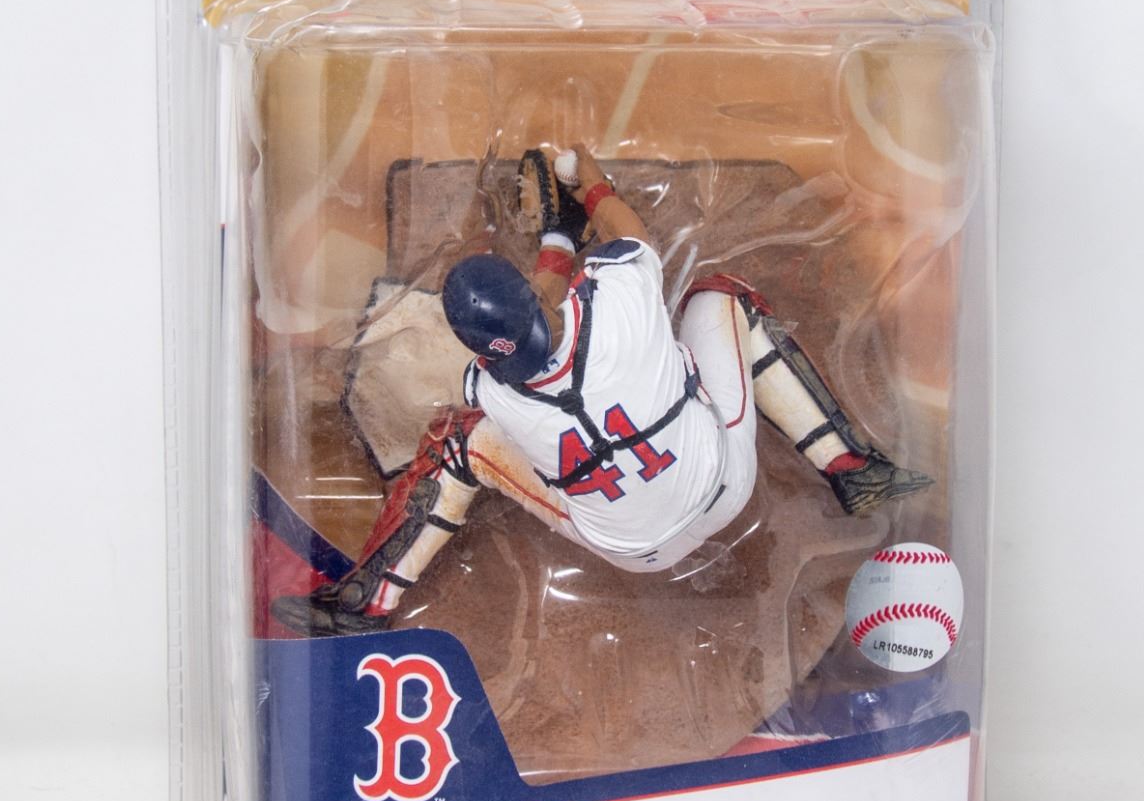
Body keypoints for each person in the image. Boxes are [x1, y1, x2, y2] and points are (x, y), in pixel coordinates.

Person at [272, 146, 930, 636]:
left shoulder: (491, 393)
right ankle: (850, 468)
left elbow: (533, 320)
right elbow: (623, 235)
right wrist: (589, 184)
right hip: (722, 486)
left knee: (456, 443)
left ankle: (368, 602)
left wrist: (555, 242)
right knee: (722, 298)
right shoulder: (619, 304)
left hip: (631, 551)